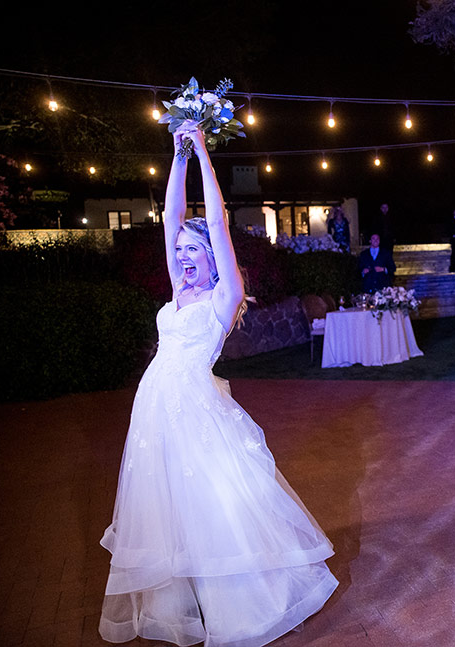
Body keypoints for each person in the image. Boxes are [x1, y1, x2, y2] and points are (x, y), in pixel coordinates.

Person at [99, 123, 338, 647]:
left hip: (196, 413)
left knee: (216, 506)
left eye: (192, 250)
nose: (182, 257)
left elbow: (218, 223)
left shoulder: (221, 297)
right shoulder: (177, 289)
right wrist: (178, 155)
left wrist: (205, 154)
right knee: (171, 510)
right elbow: (171, 217)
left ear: (212, 256)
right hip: (155, 415)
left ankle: (247, 605)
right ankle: (188, 605)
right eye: (178, 250)